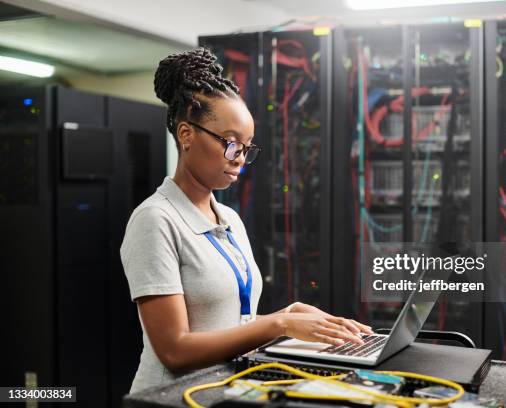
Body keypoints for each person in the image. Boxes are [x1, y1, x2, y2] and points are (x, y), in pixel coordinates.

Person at [120, 47, 372, 394]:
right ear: (186, 134)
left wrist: (292, 312)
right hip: (170, 398)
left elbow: (229, 322)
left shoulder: (230, 219)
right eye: (231, 143)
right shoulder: (154, 220)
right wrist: (280, 324)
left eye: (247, 147)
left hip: (225, 390)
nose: (239, 158)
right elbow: (174, 350)